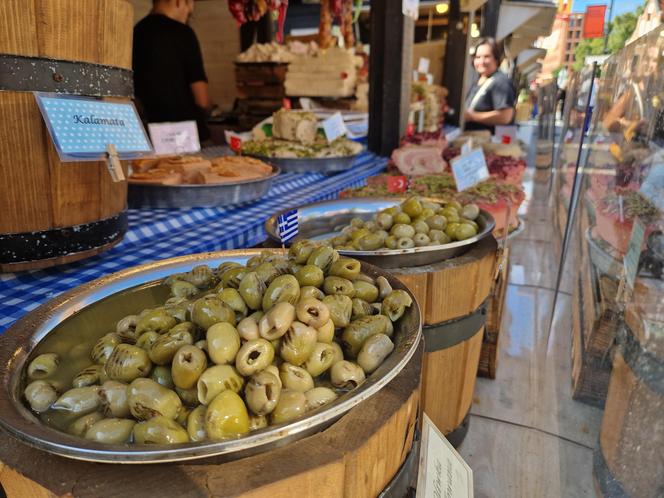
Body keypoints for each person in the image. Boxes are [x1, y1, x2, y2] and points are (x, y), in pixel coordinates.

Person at [133, 0, 212, 142]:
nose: (188, 14)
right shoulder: (184, 33)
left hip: (151, 136)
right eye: (190, 9)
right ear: (179, 2)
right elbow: (202, 100)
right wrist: (208, 111)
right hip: (189, 136)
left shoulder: (136, 32)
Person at [463, 37, 516, 133]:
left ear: (496, 59)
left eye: (486, 57)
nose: (481, 61)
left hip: (490, 144)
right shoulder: (480, 80)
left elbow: (505, 117)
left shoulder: (501, 82)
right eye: (478, 57)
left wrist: (472, 116)